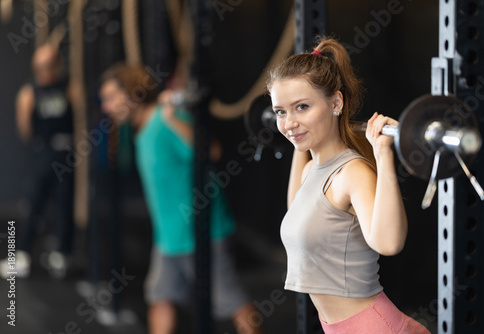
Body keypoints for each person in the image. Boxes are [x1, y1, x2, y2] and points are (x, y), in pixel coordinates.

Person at [267, 38, 430, 333]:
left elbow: (389, 243)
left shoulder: (351, 172)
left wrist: (383, 154)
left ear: (336, 103)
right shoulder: (312, 170)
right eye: (280, 111)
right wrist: (299, 135)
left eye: (302, 107)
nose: (288, 122)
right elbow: (297, 212)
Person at [99, 64, 263, 334]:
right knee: (160, 298)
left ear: (131, 94)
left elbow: (211, 151)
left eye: (110, 97)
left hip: (203, 231)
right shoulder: (140, 128)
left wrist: (174, 117)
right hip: (169, 238)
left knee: (233, 302)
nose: (106, 107)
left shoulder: (166, 117)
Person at [0, 43, 75, 279]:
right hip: (42, 153)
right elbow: (25, 129)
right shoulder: (29, 92)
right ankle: (21, 255)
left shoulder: (69, 87)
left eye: (49, 65)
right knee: (33, 202)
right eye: (40, 66)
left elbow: (80, 115)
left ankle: (62, 255)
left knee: (64, 205)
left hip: (66, 152)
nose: (44, 70)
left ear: (58, 65)